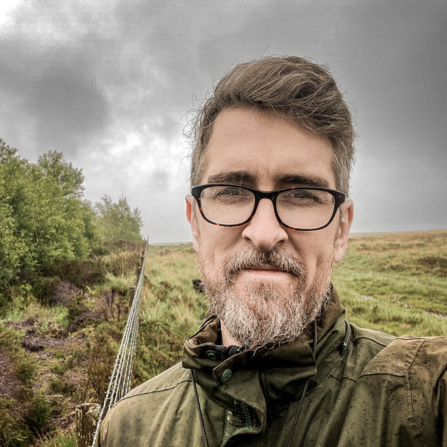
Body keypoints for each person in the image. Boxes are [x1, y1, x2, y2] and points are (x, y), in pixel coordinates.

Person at [96, 56, 447, 446]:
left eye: (301, 194)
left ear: (341, 230)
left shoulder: (423, 400)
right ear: (195, 223)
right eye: (230, 191)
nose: (264, 233)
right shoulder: (129, 429)